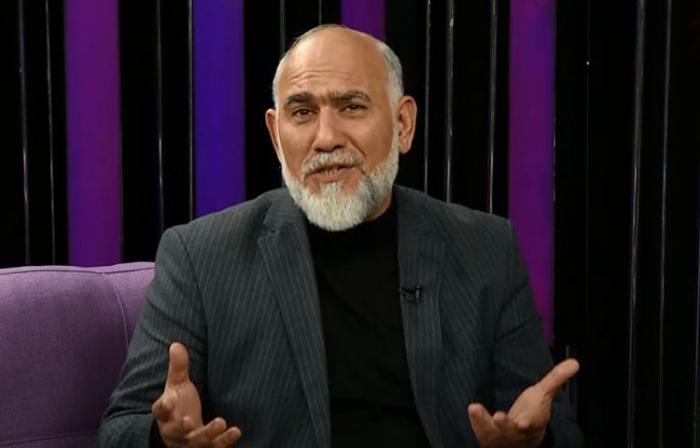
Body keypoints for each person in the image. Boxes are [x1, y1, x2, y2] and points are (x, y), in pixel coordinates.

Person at [99, 24, 583, 448]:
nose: (326, 137)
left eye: (352, 106)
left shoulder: (487, 248)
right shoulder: (200, 255)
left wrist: (532, 441)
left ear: (403, 124)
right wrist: (163, 439)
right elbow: (121, 428)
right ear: (276, 135)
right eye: (302, 112)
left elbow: (550, 424)